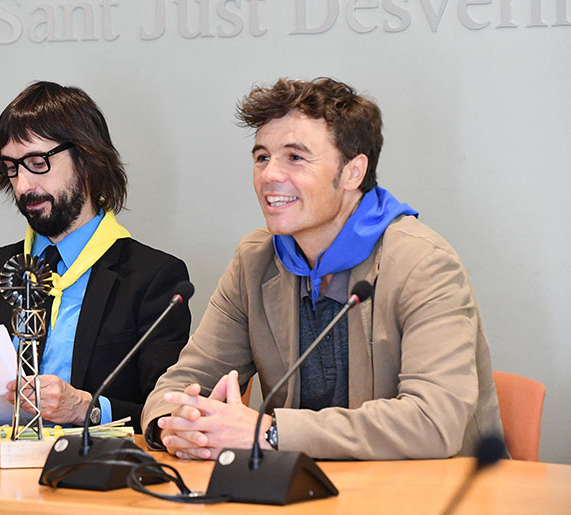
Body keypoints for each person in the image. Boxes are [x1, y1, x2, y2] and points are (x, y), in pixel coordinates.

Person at [143, 78, 504, 460]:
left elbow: (433, 423)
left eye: (295, 158)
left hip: (433, 485)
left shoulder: (424, 263)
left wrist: (271, 433)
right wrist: (176, 424)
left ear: (353, 172)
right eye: (262, 157)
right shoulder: (255, 261)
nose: (269, 175)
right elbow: (182, 383)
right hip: (301, 485)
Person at [0, 81, 191, 431]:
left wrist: (86, 409)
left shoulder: (154, 277)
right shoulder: (5, 264)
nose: (23, 186)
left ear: (86, 161)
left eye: (37, 162)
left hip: (96, 461)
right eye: (11, 167)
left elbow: (168, 415)